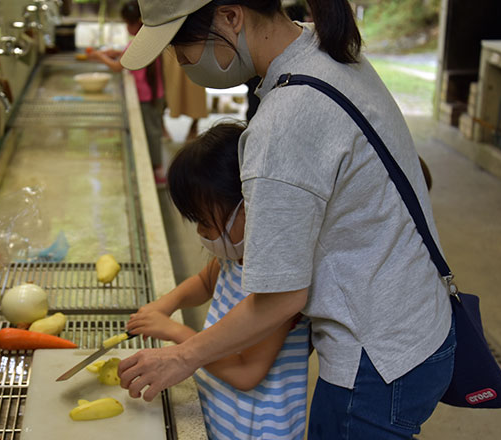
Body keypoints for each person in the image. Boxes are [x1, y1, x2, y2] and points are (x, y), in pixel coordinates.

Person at [116, 1, 455, 438]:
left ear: (231, 16)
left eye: (182, 47)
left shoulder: (284, 121)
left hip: (378, 356)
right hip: (418, 322)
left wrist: (183, 354)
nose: (181, 63)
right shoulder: (322, 49)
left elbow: (280, 299)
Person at [128, 122, 310, 439]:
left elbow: (246, 372)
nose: (200, 232)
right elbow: (203, 282)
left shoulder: (279, 281)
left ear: (248, 204)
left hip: (256, 429)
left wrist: (175, 332)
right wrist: (163, 305)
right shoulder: (232, 255)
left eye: (204, 220)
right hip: (221, 412)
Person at [89, 1, 166, 184]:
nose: (126, 27)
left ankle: (157, 171)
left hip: (147, 97)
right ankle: (155, 167)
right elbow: (127, 54)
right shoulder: (146, 39)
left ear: (137, 22)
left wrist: (100, 56)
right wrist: (114, 52)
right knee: (153, 130)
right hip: (154, 94)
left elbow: (117, 67)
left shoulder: (138, 42)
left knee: (152, 133)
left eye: (127, 23)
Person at [162, 46, 209, 141]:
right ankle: (161, 126)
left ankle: (194, 126)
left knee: (196, 87)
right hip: (169, 45)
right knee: (168, 87)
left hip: (194, 44)